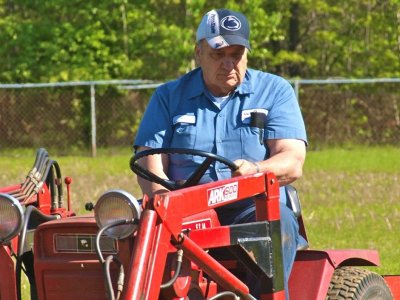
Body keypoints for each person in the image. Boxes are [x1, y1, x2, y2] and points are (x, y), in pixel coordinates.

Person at [134, 8, 307, 299]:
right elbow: (151, 165)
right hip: (182, 207)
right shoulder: (168, 97)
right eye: (218, 54)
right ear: (198, 52)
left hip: (249, 206)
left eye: (236, 54)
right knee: (123, 228)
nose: (228, 63)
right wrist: (165, 204)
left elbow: (292, 160)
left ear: (247, 55)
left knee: (279, 222)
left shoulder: (274, 91)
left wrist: (255, 169)